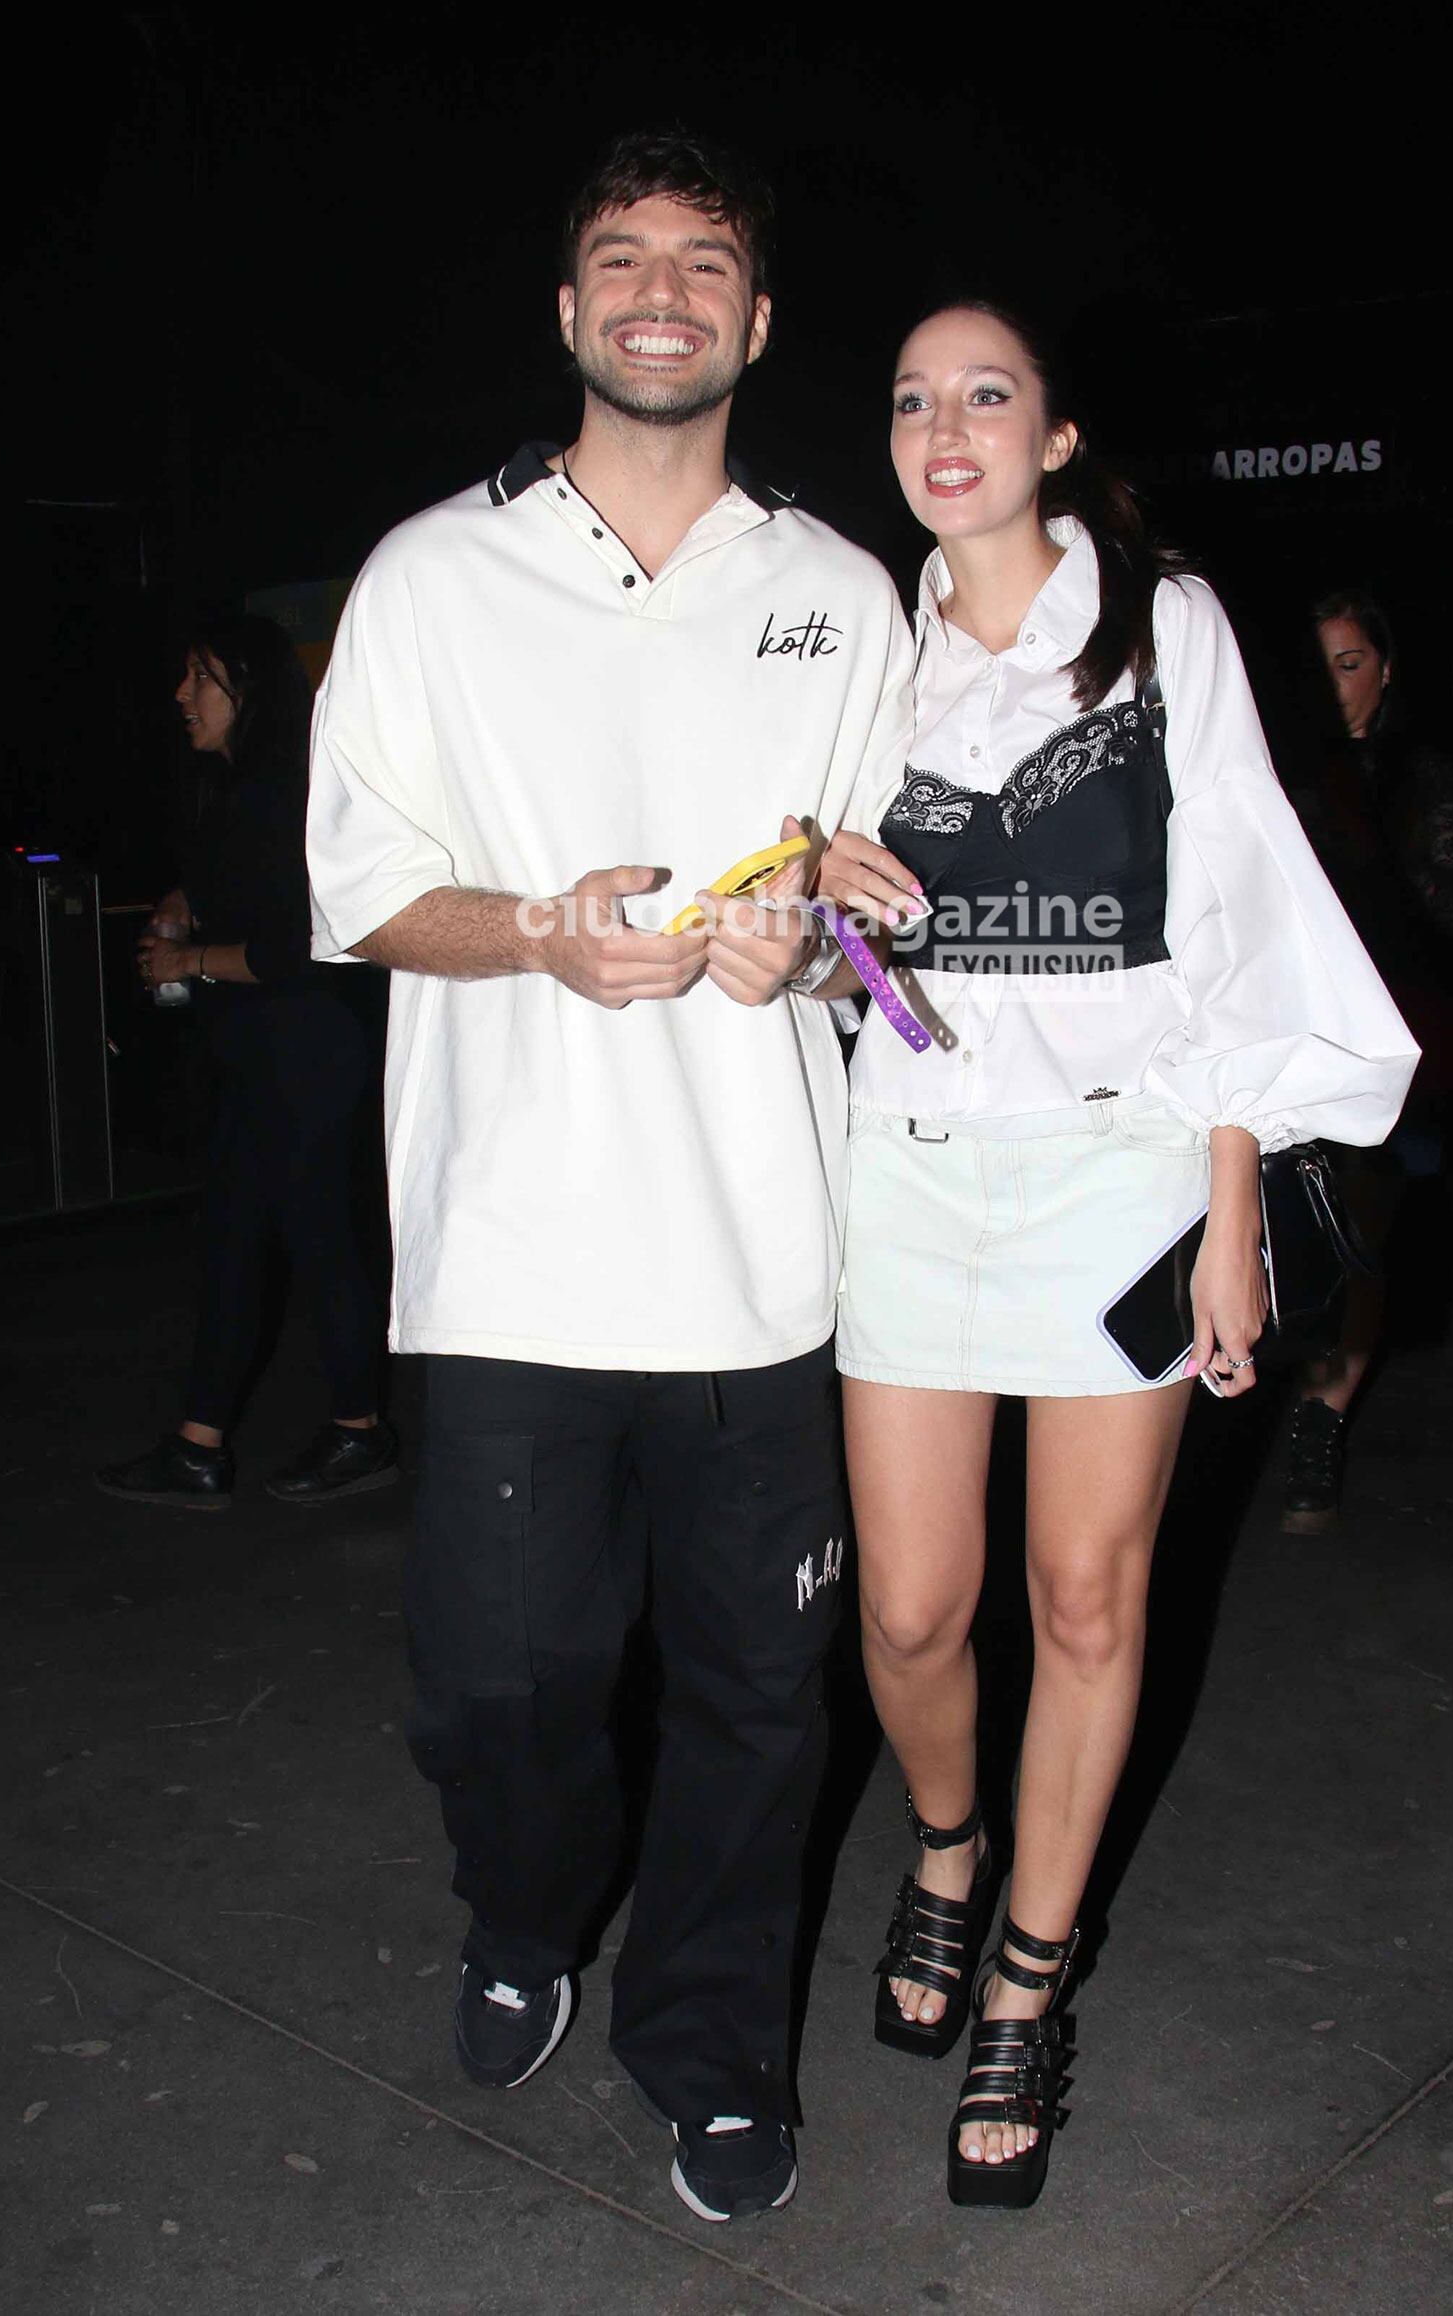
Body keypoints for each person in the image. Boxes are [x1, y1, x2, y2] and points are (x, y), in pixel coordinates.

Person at [303, 131, 911, 2225]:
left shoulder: (842, 598)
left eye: (706, 260)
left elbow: (873, 911)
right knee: (501, 1691)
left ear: (754, 322)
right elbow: (364, 894)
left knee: (759, 1698)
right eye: (622, 259)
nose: (663, 289)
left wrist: (808, 933)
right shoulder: (427, 580)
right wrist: (542, 933)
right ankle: (523, 1908)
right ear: (569, 315)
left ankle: (717, 2046)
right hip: (504, 1260)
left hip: (763, 1266)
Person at [815, 301, 1418, 2208]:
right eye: (914, 399)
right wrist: (810, 882)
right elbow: (783, 896)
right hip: (907, 1165)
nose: (947, 426)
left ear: (1059, 434)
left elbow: (1243, 908)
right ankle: (945, 1837)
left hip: (1125, 1174)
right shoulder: (853, 644)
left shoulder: (1170, 631)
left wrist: (1234, 1201)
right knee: (911, 1609)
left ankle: (1026, 1972)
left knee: (1087, 1601)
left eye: (987, 393)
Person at [97, 613, 393, 1510]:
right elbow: (226, 881)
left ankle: (360, 1431)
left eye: (202, 677)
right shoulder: (233, 789)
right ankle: (200, 1444)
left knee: (319, 1239)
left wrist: (189, 960)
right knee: (234, 1240)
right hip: (265, 1051)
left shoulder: (284, 792)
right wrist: (186, 906)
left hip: (306, 1046)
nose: (183, 695)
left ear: (249, 692)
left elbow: (305, 941)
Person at [1279, 588, 1453, 1532]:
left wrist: (1379, 873)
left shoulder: (1420, 778)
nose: (1335, 686)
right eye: (1319, 665)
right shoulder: (1279, 773)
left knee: (1360, 1238)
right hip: (1290, 1042)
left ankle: (1320, 1424)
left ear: (1386, 670)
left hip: (1393, 1047)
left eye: (1351, 663)